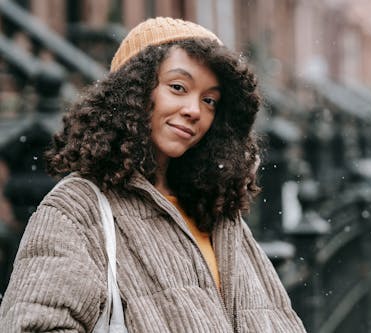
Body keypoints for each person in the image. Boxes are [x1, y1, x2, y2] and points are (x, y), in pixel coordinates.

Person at [0, 17, 306, 332]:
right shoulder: (77, 210)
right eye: (178, 87)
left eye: (209, 100)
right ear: (134, 90)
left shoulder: (217, 213)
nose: (194, 110)